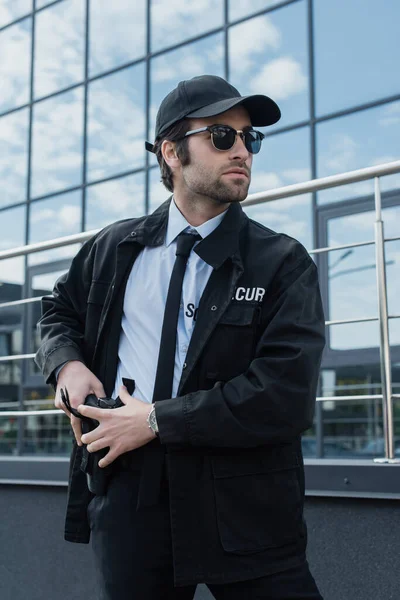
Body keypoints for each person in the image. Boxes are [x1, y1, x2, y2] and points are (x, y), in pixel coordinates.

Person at [35, 74, 326, 600]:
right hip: (130, 494)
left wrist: (152, 421)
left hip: (245, 501)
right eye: (222, 136)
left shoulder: (282, 262)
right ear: (171, 151)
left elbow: (285, 394)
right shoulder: (113, 247)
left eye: (249, 138)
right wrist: (68, 367)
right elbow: (57, 311)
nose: (242, 150)